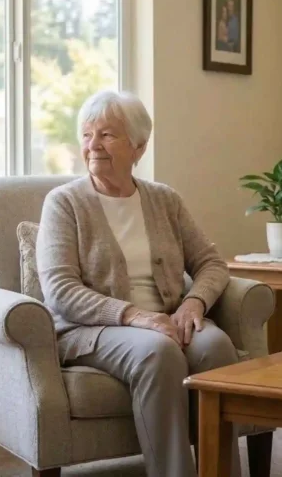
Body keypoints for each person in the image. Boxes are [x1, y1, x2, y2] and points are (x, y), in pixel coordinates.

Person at [37, 90, 241, 477]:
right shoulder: (63, 203)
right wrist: (134, 316)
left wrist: (194, 303)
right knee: (157, 352)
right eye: (86, 135)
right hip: (95, 328)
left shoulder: (164, 199)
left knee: (216, 346)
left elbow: (211, 262)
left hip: (168, 318)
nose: (93, 145)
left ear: (139, 146)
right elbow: (60, 290)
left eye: (107, 135)